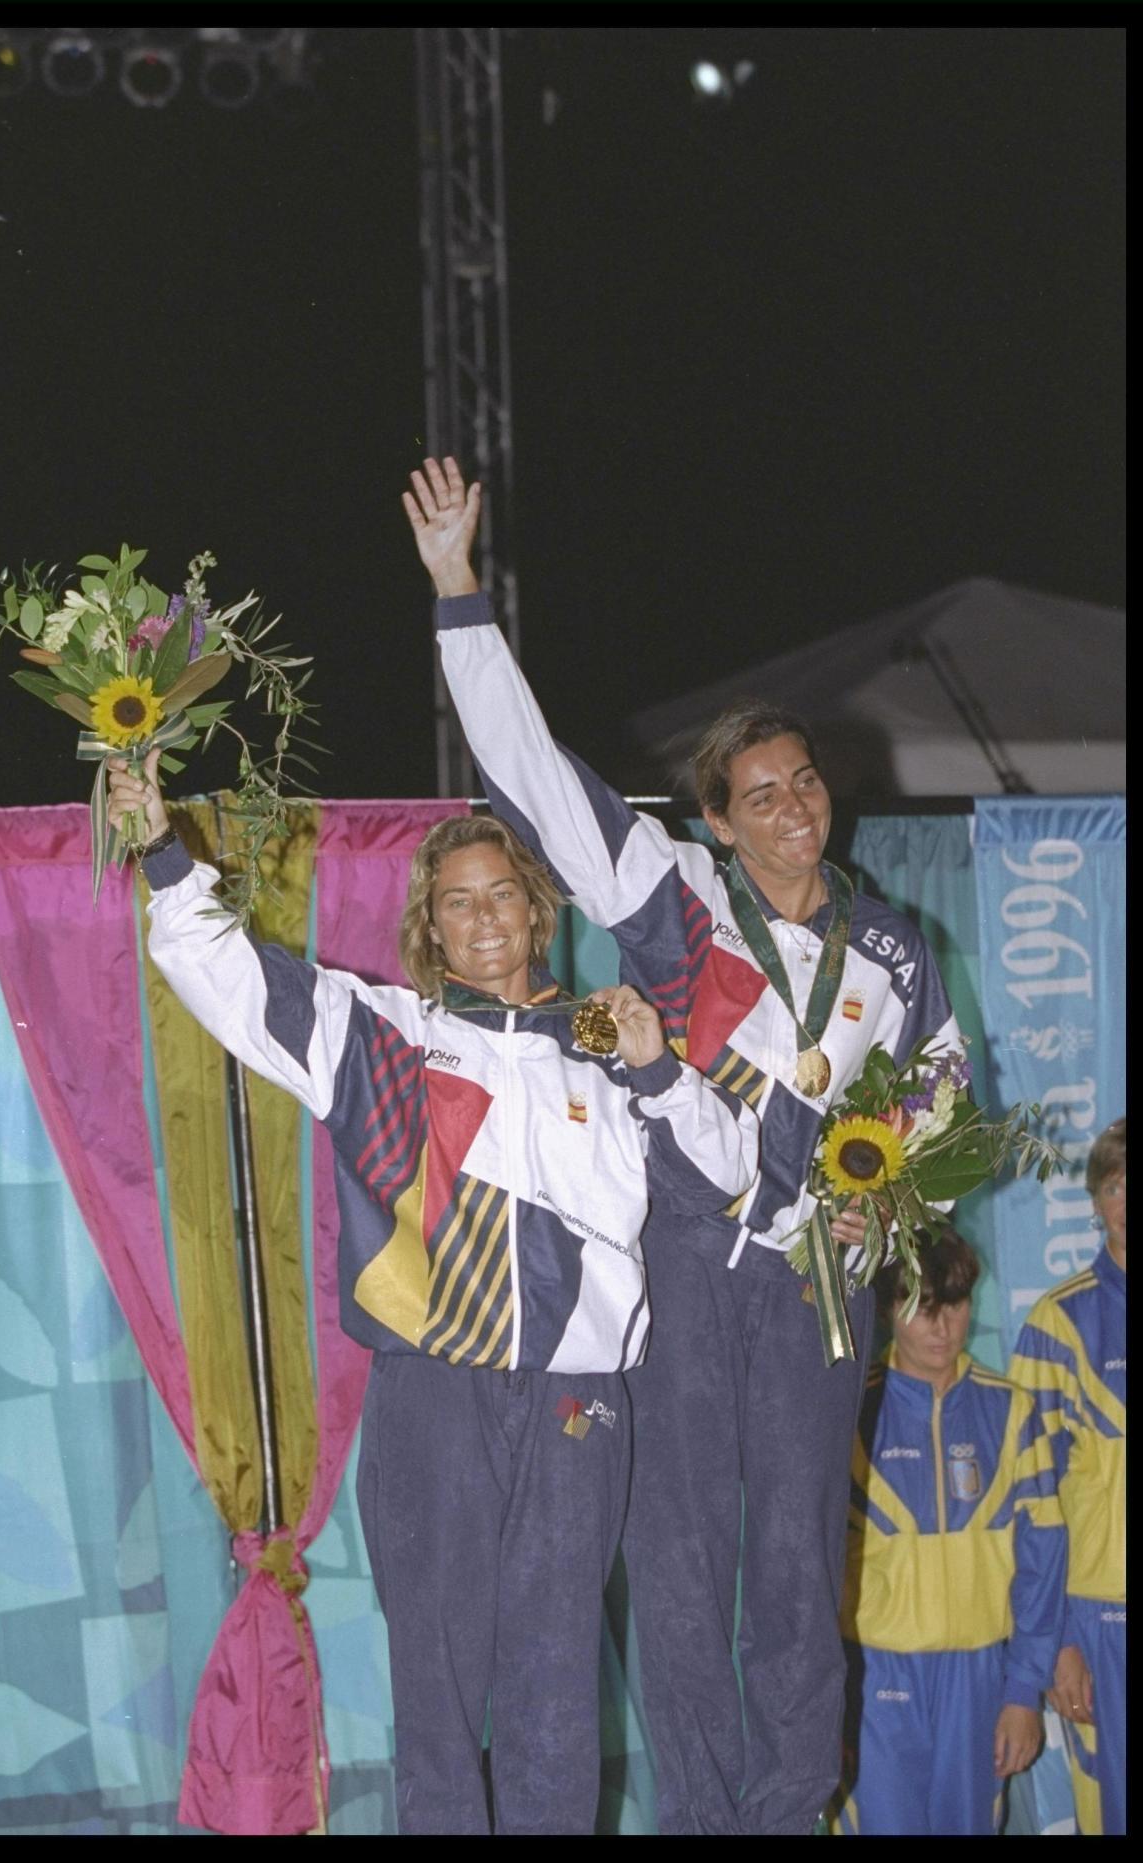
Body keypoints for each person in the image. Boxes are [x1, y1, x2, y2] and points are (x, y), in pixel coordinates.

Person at [403, 456, 964, 1835]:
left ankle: (784, 1811)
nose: (789, 805)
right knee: (673, 1564)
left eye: (801, 783)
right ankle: (703, 1818)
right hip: (676, 1268)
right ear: (709, 817)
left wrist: (876, 1200)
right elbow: (528, 772)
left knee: (792, 1562)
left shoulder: (893, 945)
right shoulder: (677, 900)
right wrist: (457, 592)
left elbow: (938, 1095)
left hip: (810, 1286)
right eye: (756, 792)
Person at [106, 757, 759, 1836]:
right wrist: (164, 853)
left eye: (502, 891)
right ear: (433, 930)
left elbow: (727, 1177)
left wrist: (657, 1071)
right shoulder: (385, 1036)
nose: (485, 917)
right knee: (439, 1692)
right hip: (433, 1399)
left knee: (555, 1682)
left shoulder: (613, 1046)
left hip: (577, 1403)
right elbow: (223, 974)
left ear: (538, 907)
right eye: (458, 902)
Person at [830, 1228, 1066, 1835]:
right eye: (922, 1307)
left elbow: (1042, 1563)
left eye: (955, 1305)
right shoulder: (847, 1415)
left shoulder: (1013, 1412)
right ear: (888, 1308)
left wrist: (1022, 1692)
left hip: (980, 1678)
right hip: (875, 1679)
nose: (943, 1328)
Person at [1009, 1117, 1125, 1836]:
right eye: (1116, 1185)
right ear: (1095, 1199)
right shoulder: (1058, 1322)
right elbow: (1032, 1502)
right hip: (1101, 1619)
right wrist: (1060, 1641)